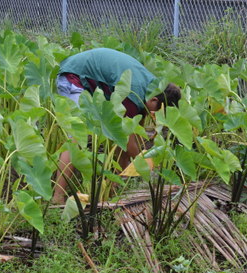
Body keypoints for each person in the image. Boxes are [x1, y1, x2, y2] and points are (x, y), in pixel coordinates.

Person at [53, 47, 181, 204]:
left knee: (123, 139)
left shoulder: (152, 87)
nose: (154, 115)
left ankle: (112, 188)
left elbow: (132, 129)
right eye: (157, 111)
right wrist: (147, 168)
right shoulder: (133, 93)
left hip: (87, 76)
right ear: (154, 101)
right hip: (73, 78)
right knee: (76, 139)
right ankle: (57, 197)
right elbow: (128, 140)